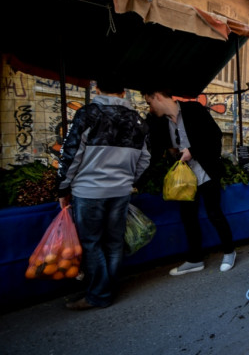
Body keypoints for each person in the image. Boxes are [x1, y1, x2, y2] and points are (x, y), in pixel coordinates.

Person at [57, 79, 151, 310]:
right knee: (114, 242)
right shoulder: (137, 120)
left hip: (89, 191)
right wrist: (129, 180)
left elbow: (71, 154)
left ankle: (98, 295)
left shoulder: (88, 114)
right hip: (120, 191)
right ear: (123, 91)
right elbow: (145, 159)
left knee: (92, 243)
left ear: (96, 89)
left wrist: (62, 187)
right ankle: (107, 288)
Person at [143, 89, 236, 276]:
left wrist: (192, 151)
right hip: (182, 177)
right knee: (188, 217)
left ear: (158, 96)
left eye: (149, 102)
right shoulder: (157, 121)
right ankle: (195, 260)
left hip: (206, 170)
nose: (149, 107)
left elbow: (214, 136)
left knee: (214, 212)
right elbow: (153, 149)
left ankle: (229, 252)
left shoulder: (194, 109)